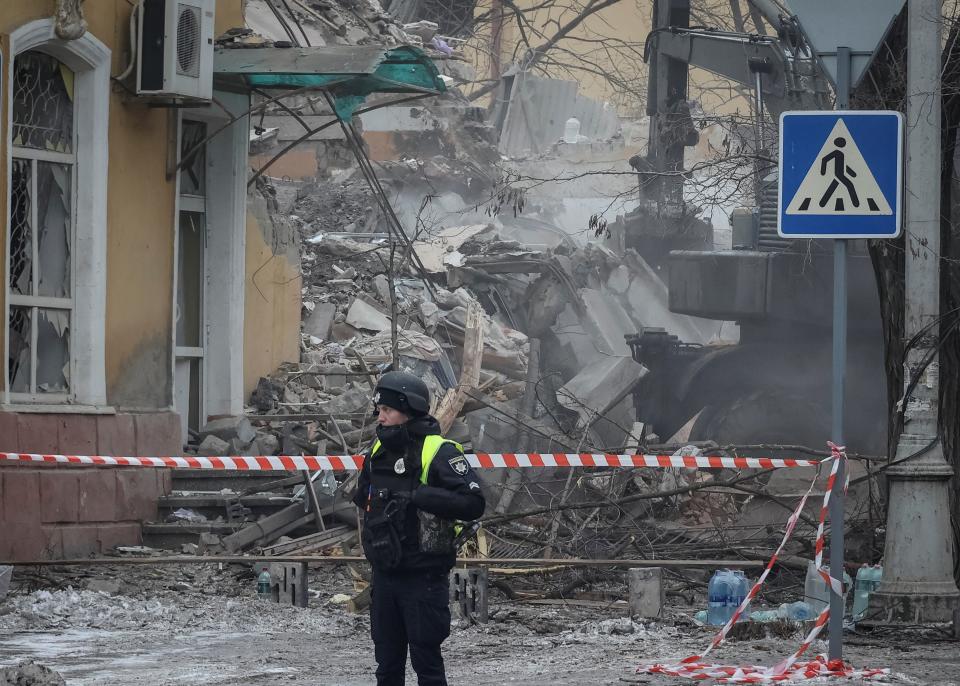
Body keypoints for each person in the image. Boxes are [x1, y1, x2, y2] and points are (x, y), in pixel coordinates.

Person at [353, 371, 486, 686]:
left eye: (387, 410)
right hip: (386, 575)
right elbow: (364, 499)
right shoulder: (378, 450)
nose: (380, 416)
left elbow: (473, 503)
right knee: (387, 666)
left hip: (422, 578)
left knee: (426, 665)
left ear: (407, 409)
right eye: (379, 410)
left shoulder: (439, 451)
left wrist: (421, 497)